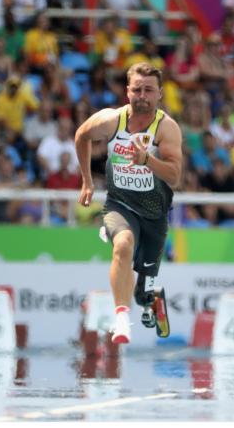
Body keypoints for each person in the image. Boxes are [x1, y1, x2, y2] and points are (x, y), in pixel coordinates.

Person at [75, 62, 183, 344]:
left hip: (154, 213)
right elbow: (82, 136)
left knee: (142, 289)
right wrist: (87, 181)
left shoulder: (166, 128)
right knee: (122, 245)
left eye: (149, 90)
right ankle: (122, 319)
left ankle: (150, 298)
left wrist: (147, 160)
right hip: (119, 205)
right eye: (137, 89)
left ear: (160, 94)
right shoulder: (112, 120)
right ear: (128, 91)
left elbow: (175, 175)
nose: (142, 95)